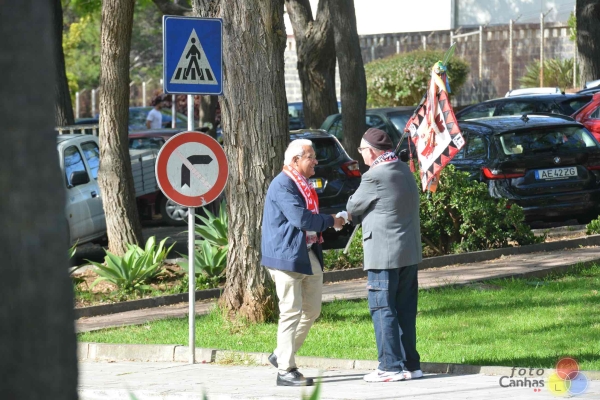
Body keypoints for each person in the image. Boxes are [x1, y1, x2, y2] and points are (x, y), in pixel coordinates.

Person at [262, 139, 345, 387]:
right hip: (286, 257)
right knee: (290, 311)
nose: (316, 162)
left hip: (306, 252)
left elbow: (307, 218)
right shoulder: (283, 184)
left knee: (312, 310)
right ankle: (286, 370)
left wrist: (329, 220)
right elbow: (301, 219)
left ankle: (280, 354)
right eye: (311, 157)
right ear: (296, 160)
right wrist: (331, 220)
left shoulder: (302, 184)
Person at [346, 128, 423, 383]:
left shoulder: (374, 175)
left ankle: (389, 367)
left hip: (383, 254)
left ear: (371, 151)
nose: (360, 154)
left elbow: (353, 206)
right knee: (405, 310)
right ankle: (411, 365)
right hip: (408, 253)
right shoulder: (403, 169)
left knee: (382, 308)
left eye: (361, 150)